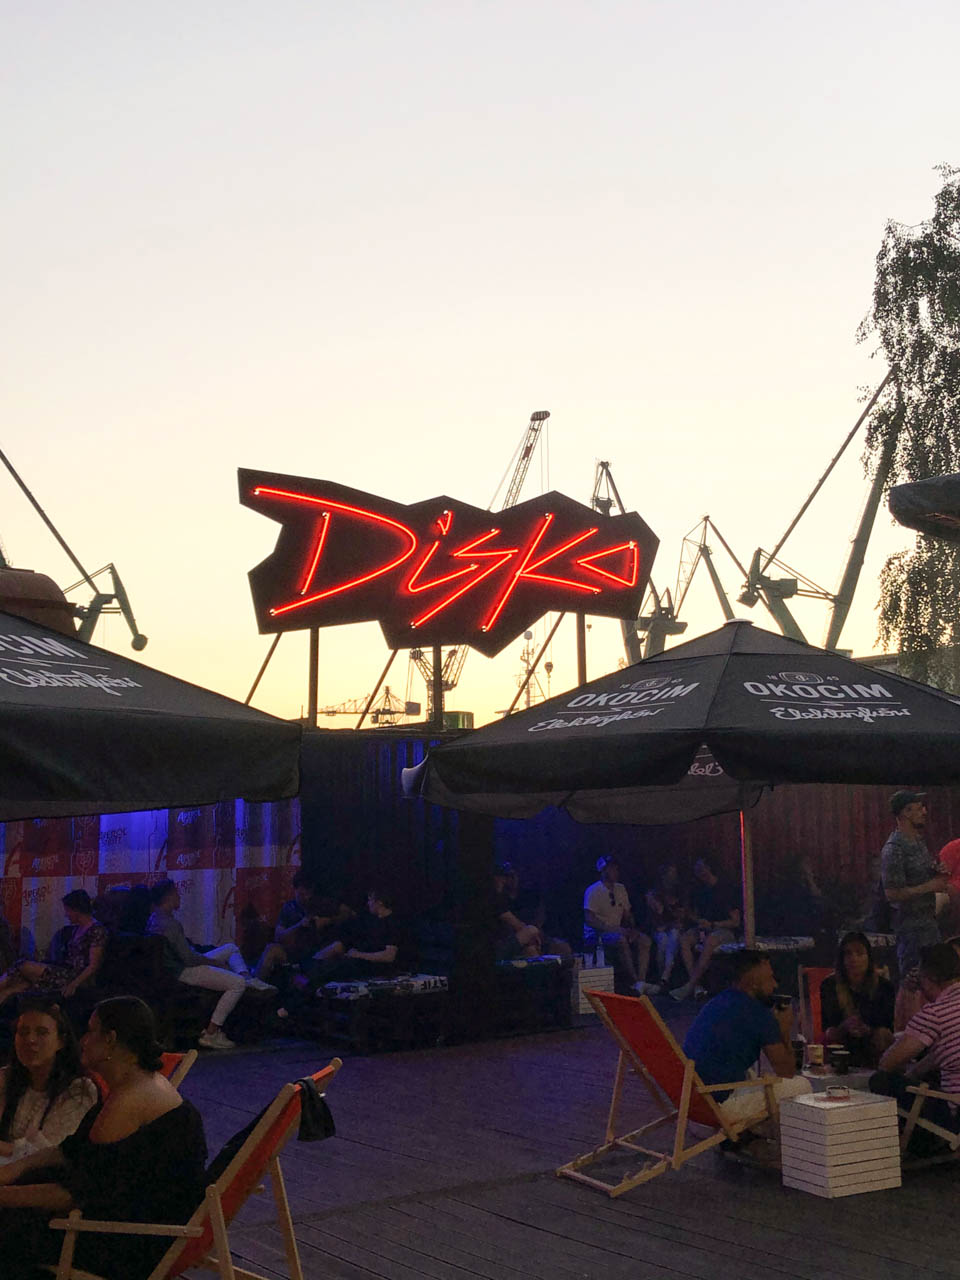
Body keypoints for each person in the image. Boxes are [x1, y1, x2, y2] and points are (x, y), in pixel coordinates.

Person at [0, 995, 207, 1279]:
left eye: (89, 1031)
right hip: (118, 1216)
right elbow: (69, 1151)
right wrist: (17, 1167)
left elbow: (74, 1193)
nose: (82, 1040)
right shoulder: (138, 1082)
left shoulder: (127, 1103)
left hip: (124, 1242)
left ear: (110, 1039)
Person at [682, 949, 811, 1132]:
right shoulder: (758, 1014)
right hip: (719, 1107)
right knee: (801, 1085)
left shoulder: (718, 1001)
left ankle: (745, 1137)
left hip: (692, 1102)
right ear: (754, 983)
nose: (774, 986)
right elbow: (787, 1071)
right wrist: (784, 1030)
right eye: (770, 978)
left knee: (749, 1073)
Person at [147, 879, 274, 1051]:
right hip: (185, 970)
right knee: (237, 984)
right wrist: (215, 963)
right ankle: (211, 1032)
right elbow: (189, 959)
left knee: (230, 948)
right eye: (176, 893)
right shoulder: (169, 925)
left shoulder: (155, 918)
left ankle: (248, 977)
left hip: (181, 964)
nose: (179, 897)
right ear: (169, 896)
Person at [870, 943, 960, 1152]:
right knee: (927, 1075)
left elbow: (887, 1063)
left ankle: (913, 1149)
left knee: (880, 1081)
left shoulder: (937, 1013)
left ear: (929, 976)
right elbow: (942, 1054)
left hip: (955, 1114)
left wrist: (910, 991)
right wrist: (914, 1073)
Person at [0, 1001, 98, 1165]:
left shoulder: (78, 1090)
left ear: (61, 1041)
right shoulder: (6, 1078)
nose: (30, 1040)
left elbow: (45, 1153)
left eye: (41, 1032)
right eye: (23, 1032)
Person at [0, 890, 108, 1008]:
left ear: (76, 910)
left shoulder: (97, 930)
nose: (66, 915)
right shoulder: (77, 929)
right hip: (65, 971)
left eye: (67, 910)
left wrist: (74, 984)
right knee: (16, 986)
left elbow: (93, 965)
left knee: (21, 965)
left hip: (77, 978)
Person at [880, 790, 946, 979]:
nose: (924, 812)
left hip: (930, 926)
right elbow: (892, 894)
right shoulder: (894, 849)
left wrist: (935, 870)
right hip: (912, 932)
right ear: (906, 813)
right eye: (919, 808)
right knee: (914, 983)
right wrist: (930, 886)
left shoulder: (918, 842)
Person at [253, 872, 353, 983]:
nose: (306, 898)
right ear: (295, 890)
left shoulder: (322, 903)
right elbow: (279, 936)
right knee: (271, 949)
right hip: (294, 952)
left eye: (308, 894)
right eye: (302, 894)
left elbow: (349, 913)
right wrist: (298, 925)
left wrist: (328, 921)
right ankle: (257, 985)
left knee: (338, 947)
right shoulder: (289, 908)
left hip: (317, 952)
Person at [583, 856, 658, 996]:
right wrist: (612, 929)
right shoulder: (592, 891)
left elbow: (627, 914)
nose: (615, 871)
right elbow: (590, 920)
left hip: (619, 930)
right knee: (620, 940)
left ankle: (641, 980)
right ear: (603, 870)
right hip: (597, 934)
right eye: (611, 869)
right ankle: (634, 980)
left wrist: (633, 929)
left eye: (616, 868)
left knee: (645, 941)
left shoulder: (620, 889)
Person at [670, 857, 741, 1002]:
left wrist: (714, 925)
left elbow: (735, 921)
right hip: (706, 928)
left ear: (709, 867)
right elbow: (694, 914)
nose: (698, 871)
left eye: (701, 867)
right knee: (684, 939)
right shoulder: (699, 890)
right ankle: (697, 986)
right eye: (696, 868)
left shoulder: (725, 889)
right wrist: (697, 920)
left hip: (724, 930)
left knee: (711, 940)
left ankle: (689, 985)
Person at [820, 931, 895, 1067]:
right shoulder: (829, 985)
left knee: (883, 1034)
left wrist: (868, 1029)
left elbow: (888, 1026)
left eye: (859, 953)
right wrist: (845, 1026)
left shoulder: (884, 987)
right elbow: (828, 1026)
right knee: (830, 1034)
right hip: (842, 1039)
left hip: (873, 1041)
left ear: (868, 957)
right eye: (848, 954)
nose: (853, 959)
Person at [309, 888, 408, 987]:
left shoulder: (393, 923)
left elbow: (389, 956)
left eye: (370, 900)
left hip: (378, 967)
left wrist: (358, 954)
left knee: (342, 967)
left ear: (380, 902)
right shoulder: (372, 921)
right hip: (362, 960)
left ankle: (310, 983)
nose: (368, 903)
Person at [501, 862, 572, 959]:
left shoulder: (528, 895)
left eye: (514, 875)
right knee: (531, 951)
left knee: (563, 947)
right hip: (514, 937)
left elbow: (540, 916)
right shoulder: (500, 899)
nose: (512, 879)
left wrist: (536, 931)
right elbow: (510, 925)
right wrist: (529, 935)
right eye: (508, 876)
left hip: (536, 933)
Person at [645, 864, 690, 987]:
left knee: (674, 934)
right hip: (659, 929)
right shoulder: (653, 894)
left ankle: (665, 975)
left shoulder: (680, 893)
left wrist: (678, 919)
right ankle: (663, 975)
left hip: (674, 929)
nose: (674, 876)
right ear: (664, 876)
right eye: (671, 873)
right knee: (663, 940)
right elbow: (657, 921)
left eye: (675, 873)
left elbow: (681, 917)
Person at [493, 865, 542, 961]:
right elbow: (517, 924)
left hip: (505, 941)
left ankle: (541, 973)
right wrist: (533, 936)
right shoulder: (493, 898)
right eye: (502, 877)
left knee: (530, 949)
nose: (503, 881)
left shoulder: (502, 898)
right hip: (496, 948)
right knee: (532, 930)